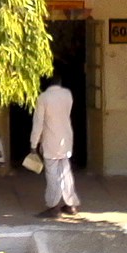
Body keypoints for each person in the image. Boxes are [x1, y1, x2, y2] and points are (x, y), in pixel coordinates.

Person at [30, 73, 80, 218]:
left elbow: (38, 123)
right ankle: (71, 204)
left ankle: (53, 206)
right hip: (66, 139)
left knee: (52, 174)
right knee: (65, 172)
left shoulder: (43, 98)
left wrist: (34, 143)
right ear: (59, 82)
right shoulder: (67, 94)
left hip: (50, 141)